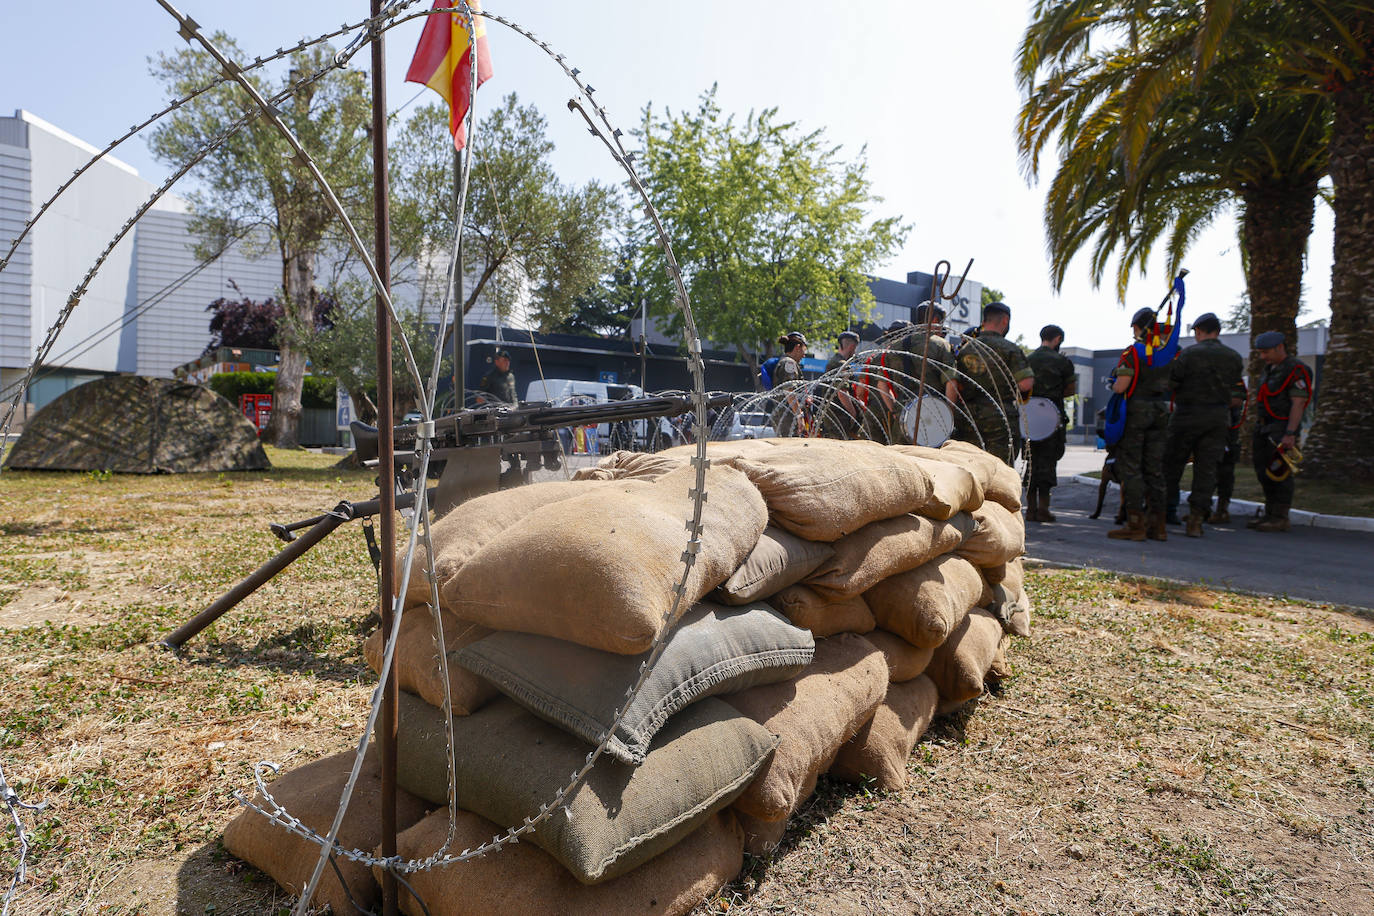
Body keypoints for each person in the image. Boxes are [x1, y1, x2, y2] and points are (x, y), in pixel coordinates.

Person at [1161, 312, 1245, 537]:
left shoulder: (1188, 354)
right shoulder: (1234, 357)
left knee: (1172, 465)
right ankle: (1196, 520)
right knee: (1206, 469)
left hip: (1187, 416)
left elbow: (1171, 383)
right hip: (1218, 419)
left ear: (1198, 332)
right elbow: (1235, 391)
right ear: (1217, 331)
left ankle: (1161, 515)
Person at [1107, 307, 1174, 541]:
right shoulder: (1166, 353)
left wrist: (1113, 384)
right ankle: (1159, 526)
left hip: (1136, 413)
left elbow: (1122, 385)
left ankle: (1136, 525)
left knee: (1132, 468)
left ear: (1137, 328)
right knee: (1154, 469)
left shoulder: (1133, 352)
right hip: (1160, 411)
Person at [944, 302, 1033, 465]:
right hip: (1000, 417)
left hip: (968, 418)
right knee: (1000, 470)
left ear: (984, 320)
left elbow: (954, 383)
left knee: (969, 468)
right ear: (1005, 320)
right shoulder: (1010, 349)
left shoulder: (965, 349)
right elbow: (1026, 384)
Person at [1249, 330, 1312, 532]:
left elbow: (1298, 402)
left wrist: (1290, 433)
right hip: (1264, 426)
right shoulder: (1270, 369)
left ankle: (1280, 517)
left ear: (1280, 347)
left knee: (1280, 472)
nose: (1263, 357)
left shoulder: (1296, 370)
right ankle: (1269, 513)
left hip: (1281, 428)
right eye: (1260, 352)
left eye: (1266, 352)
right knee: (1263, 471)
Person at [1025, 324, 1077, 522]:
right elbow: (1070, 390)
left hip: (1029, 417)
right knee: (1047, 462)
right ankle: (1044, 509)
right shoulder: (1062, 362)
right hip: (1051, 417)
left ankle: (1030, 509)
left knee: (1030, 461)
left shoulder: (1028, 359)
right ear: (1058, 339)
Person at [1212, 376, 1248, 523]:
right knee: (1205, 470)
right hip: (1207, 429)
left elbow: (1237, 400)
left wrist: (1208, 405)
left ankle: (1222, 510)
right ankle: (1202, 509)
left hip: (1227, 432)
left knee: (1225, 471)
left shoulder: (1232, 377)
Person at [770, 332, 808, 435]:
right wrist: (799, 416)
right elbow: (789, 392)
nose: (804, 355)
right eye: (804, 350)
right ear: (797, 347)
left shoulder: (784, 361)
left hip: (785, 416)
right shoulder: (789, 363)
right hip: (788, 418)